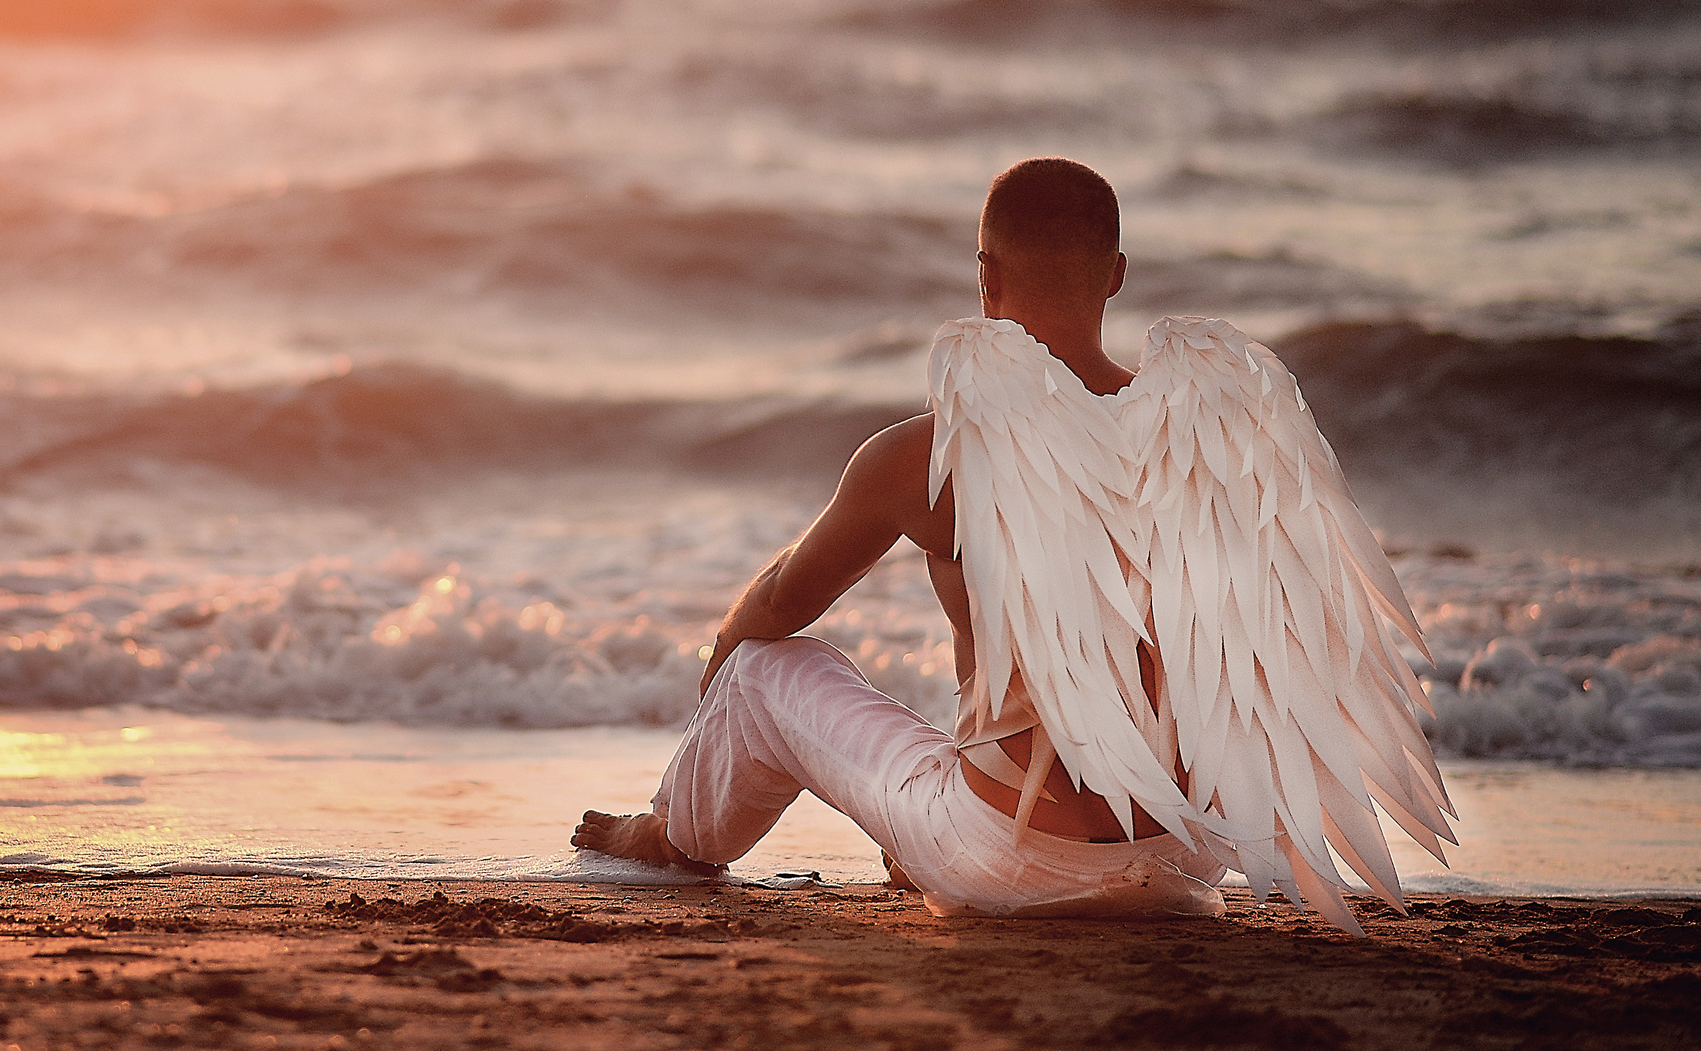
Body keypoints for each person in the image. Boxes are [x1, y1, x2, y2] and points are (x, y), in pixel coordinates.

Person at [572, 158, 1451, 926]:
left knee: (771, 671)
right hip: (1186, 861)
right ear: (1116, 276)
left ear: (985, 277)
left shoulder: (930, 451)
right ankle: (923, 837)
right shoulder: (1201, 442)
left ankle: (668, 834)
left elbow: (779, 604)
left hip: (1003, 861)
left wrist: (726, 647)